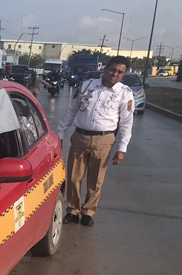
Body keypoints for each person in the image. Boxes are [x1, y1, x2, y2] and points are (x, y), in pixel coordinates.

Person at [56, 56, 134, 226]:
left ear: (124, 74)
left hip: (104, 140)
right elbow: (71, 110)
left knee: (96, 180)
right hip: (80, 137)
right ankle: (73, 210)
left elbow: (127, 123)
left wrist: (122, 148)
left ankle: (88, 212)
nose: (115, 74)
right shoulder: (87, 86)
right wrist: (60, 133)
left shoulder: (125, 93)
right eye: (112, 69)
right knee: (74, 177)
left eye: (120, 72)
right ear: (106, 69)